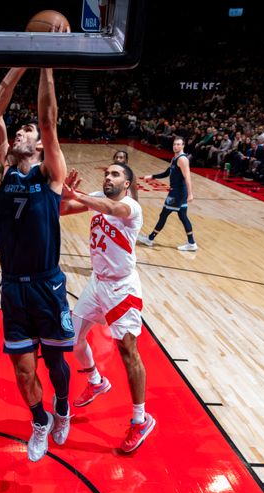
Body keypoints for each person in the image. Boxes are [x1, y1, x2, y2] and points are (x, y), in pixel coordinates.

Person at [0, 67, 74, 462]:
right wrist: (18, 65)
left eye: (27, 133)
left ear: (40, 146)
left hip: (47, 284)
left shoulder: (50, 174)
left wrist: (46, 63)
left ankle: (63, 407)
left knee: (55, 363)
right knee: (23, 371)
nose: (20, 135)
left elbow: (48, 119)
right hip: (13, 286)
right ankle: (40, 420)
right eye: (17, 133)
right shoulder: (3, 170)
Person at [61, 163, 155, 453]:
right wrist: (60, 192)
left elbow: (111, 209)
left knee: (128, 351)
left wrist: (75, 193)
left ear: (127, 184)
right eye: (106, 174)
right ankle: (96, 380)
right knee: (73, 340)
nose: (108, 178)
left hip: (121, 288)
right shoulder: (95, 198)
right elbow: (62, 210)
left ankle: (140, 420)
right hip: (97, 283)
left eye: (115, 175)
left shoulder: (130, 207)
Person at [137, 137, 197, 250]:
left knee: (163, 215)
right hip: (178, 192)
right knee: (183, 216)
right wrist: (153, 176)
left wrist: (190, 194)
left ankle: (150, 239)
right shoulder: (175, 158)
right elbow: (167, 172)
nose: (176, 146)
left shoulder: (183, 159)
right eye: (174, 144)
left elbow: (187, 177)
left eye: (179, 144)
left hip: (177, 193)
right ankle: (191, 243)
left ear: (183, 145)